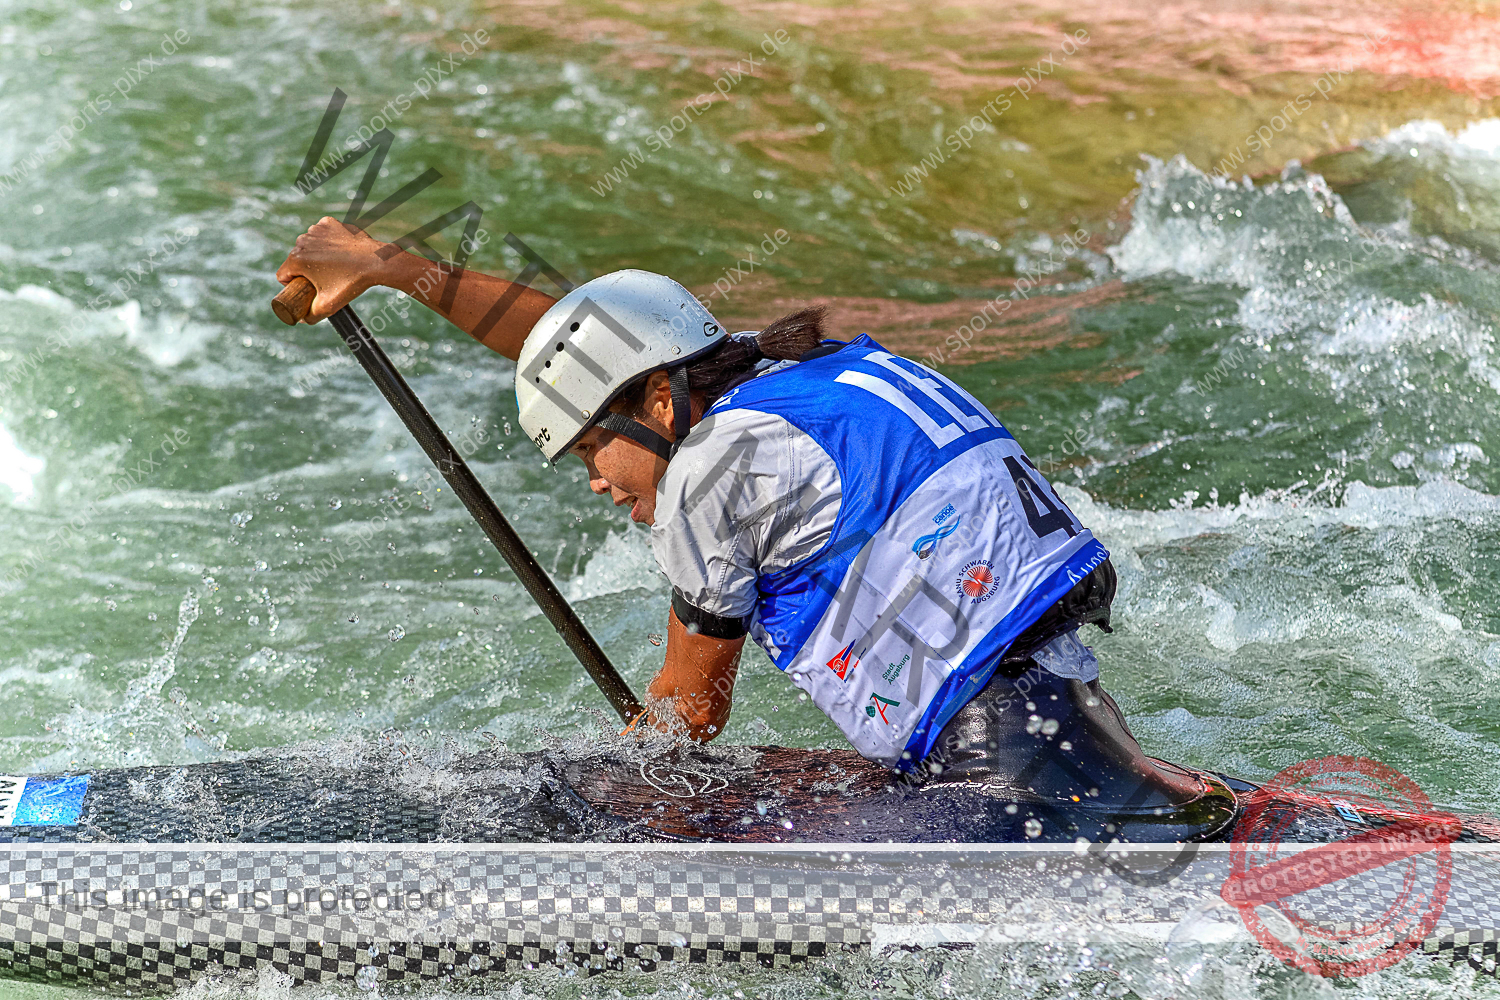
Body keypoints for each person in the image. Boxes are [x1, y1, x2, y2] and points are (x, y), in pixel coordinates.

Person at [278, 218, 1238, 842]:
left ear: (660, 403)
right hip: (1070, 712)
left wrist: (620, 793)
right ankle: (1159, 800)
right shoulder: (795, 379)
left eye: (590, 453)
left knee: (644, 813)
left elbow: (688, 715)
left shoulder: (711, 468)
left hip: (998, 778)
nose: (598, 483)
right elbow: (596, 341)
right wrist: (393, 269)